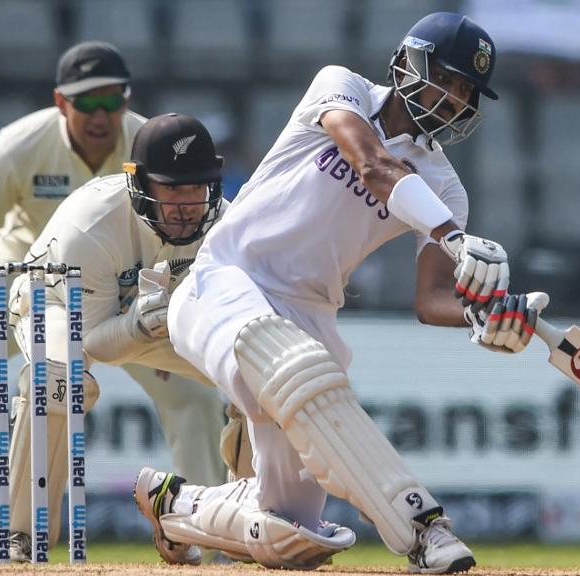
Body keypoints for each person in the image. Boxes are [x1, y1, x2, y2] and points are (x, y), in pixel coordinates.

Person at [132, 12, 548, 574]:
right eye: (446, 79)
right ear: (409, 61)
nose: (452, 99)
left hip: (310, 316)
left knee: (289, 534)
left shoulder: (446, 185)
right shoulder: (342, 86)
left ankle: (174, 503)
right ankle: (423, 528)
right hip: (225, 281)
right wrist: (453, 236)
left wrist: (486, 318)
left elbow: (430, 303)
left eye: (465, 92)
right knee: (293, 363)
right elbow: (371, 162)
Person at [0, 42, 226, 564]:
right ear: (61, 101)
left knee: (194, 397)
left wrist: (159, 324)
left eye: (112, 101)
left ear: (126, 100)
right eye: (87, 103)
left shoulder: (151, 147)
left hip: (122, 297)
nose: (101, 115)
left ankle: (206, 538)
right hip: (27, 290)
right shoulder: (21, 143)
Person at [0, 113, 232, 565]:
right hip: (56, 301)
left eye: (195, 188)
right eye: (171, 189)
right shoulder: (92, 223)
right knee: (61, 378)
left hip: (154, 316)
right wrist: (138, 331)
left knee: (248, 377)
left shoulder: (223, 221)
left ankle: (219, 527)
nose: (186, 204)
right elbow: (94, 343)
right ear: (140, 183)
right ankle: (20, 536)